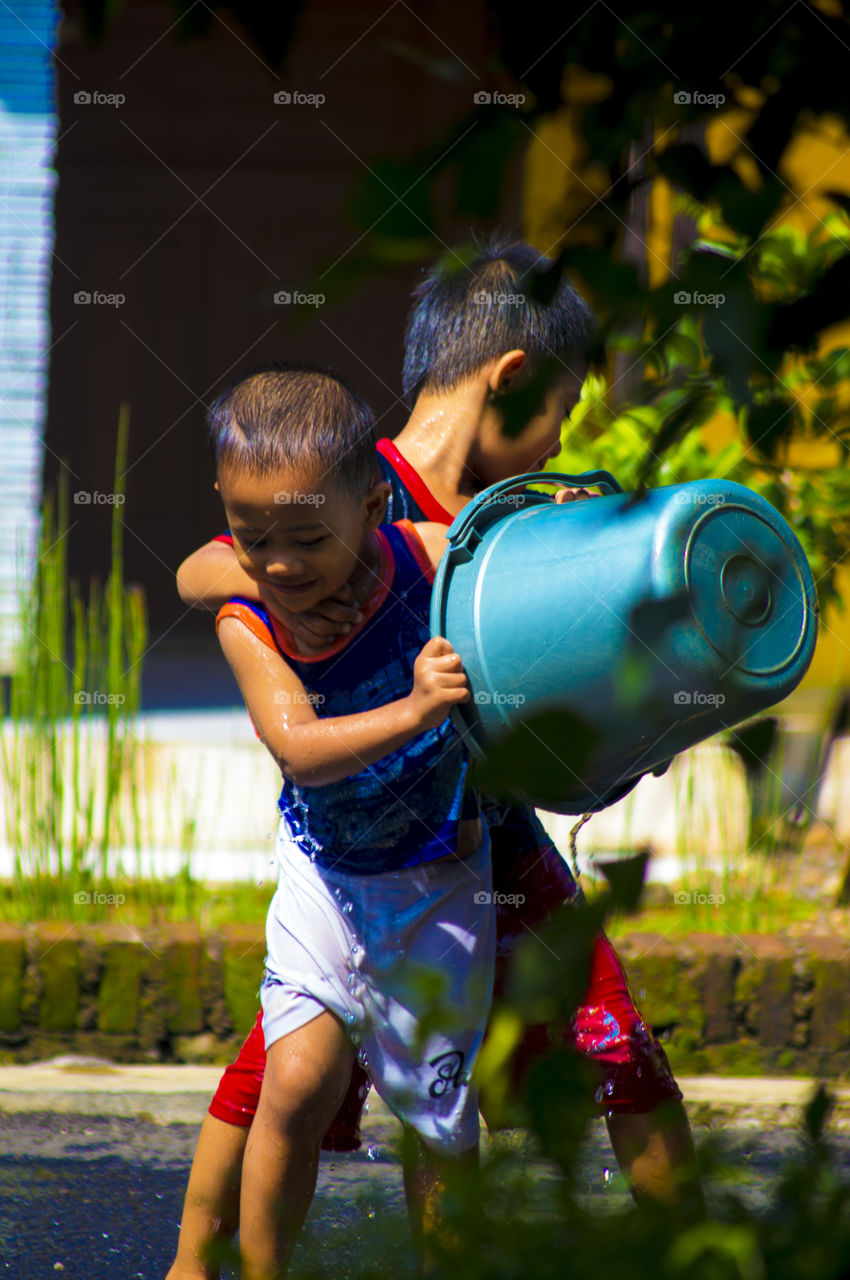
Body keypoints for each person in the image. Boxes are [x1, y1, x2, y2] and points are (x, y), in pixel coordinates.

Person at [167, 237, 701, 1280]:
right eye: (562, 408)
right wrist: (259, 585)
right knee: (292, 1065)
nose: (559, 438)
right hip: (359, 836)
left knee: (597, 1032)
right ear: (515, 376)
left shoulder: (502, 529)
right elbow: (211, 567)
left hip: (473, 821)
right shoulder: (348, 493)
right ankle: (195, 1261)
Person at [205, 362, 496, 1279]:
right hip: (325, 873)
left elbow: (518, 564)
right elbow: (298, 748)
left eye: (306, 538)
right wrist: (414, 711)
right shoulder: (247, 617)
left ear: (373, 507)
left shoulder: (424, 554)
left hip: (440, 875)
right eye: (255, 539)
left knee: (437, 1119)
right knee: (290, 1085)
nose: (282, 565)